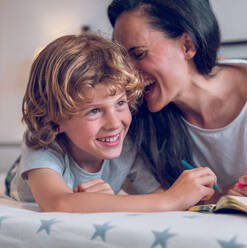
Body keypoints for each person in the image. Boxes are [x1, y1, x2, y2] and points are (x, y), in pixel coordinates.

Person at [107, 0, 247, 203]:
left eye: (138, 54)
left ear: (187, 46)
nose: (127, 74)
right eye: (121, 60)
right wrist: (217, 196)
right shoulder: (131, 113)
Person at [6, 33, 218, 212]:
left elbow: (155, 192)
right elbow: (59, 202)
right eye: (94, 110)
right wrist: (170, 200)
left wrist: (199, 194)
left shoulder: (127, 146)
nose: (114, 123)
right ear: (55, 119)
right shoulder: (43, 142)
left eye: (120, 103)